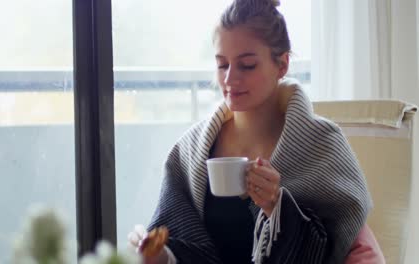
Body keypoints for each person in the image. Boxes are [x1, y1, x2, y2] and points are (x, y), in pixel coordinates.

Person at [129, 0, 385, 263]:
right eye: (222, 65)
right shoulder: (189, 151)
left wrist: (278, 207)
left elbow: (333, 246)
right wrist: (160, 255)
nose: (229, 80)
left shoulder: (322, 144)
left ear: (282, 65)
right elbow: (178, 245)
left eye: (247, 65)